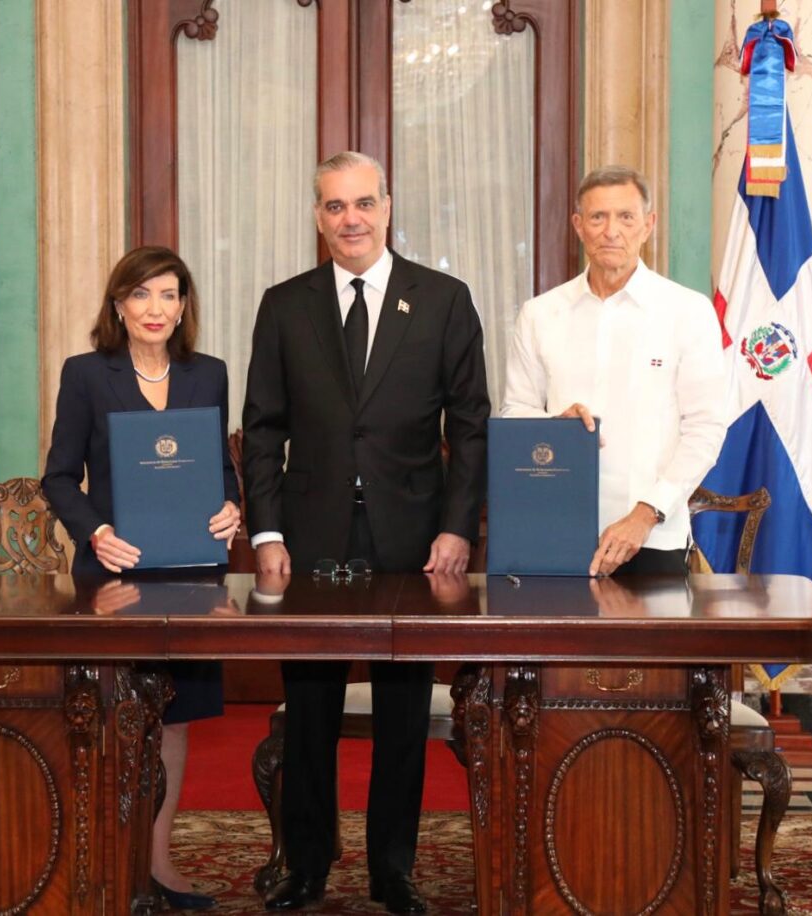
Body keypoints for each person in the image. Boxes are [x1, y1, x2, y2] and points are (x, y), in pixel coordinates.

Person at [242, 151, 489, 913]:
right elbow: (260, 431)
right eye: (333, 206)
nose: (350, 218)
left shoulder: (444, 299)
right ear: (318, 217)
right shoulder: (285, 304)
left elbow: (471, 427)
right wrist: (266, 534)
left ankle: (394, 869)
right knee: (310, 708)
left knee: (404, 711)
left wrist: (457, 531)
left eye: (362, 203)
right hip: (309, 541)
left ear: (387, 205)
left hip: (412, 542)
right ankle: (308, 864)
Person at [42, 245, 241, 911]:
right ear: (119, 305)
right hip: (113, 575)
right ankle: (99, 855)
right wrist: (95, 530)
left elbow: (219, 469)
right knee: (109, 715)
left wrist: (231, 506)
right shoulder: (87, 375)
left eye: (169, 295)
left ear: (184, 306)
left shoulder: (207, 374)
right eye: (142, 295)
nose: (156, 308)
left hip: (190, 572)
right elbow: (59, 477)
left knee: (175, 721)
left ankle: (157, 860)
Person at [501, 165, 726, 576]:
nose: (611, 231)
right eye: (597, 217)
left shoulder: (688, 312)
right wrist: (553, 424)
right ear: (578, 226)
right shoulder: (540, 314)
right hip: (555, 531)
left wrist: (646, 513)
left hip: (652, 539)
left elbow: (706, 428)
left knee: (647, 645)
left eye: (626, 217)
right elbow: (514, 413)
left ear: (648, 225)